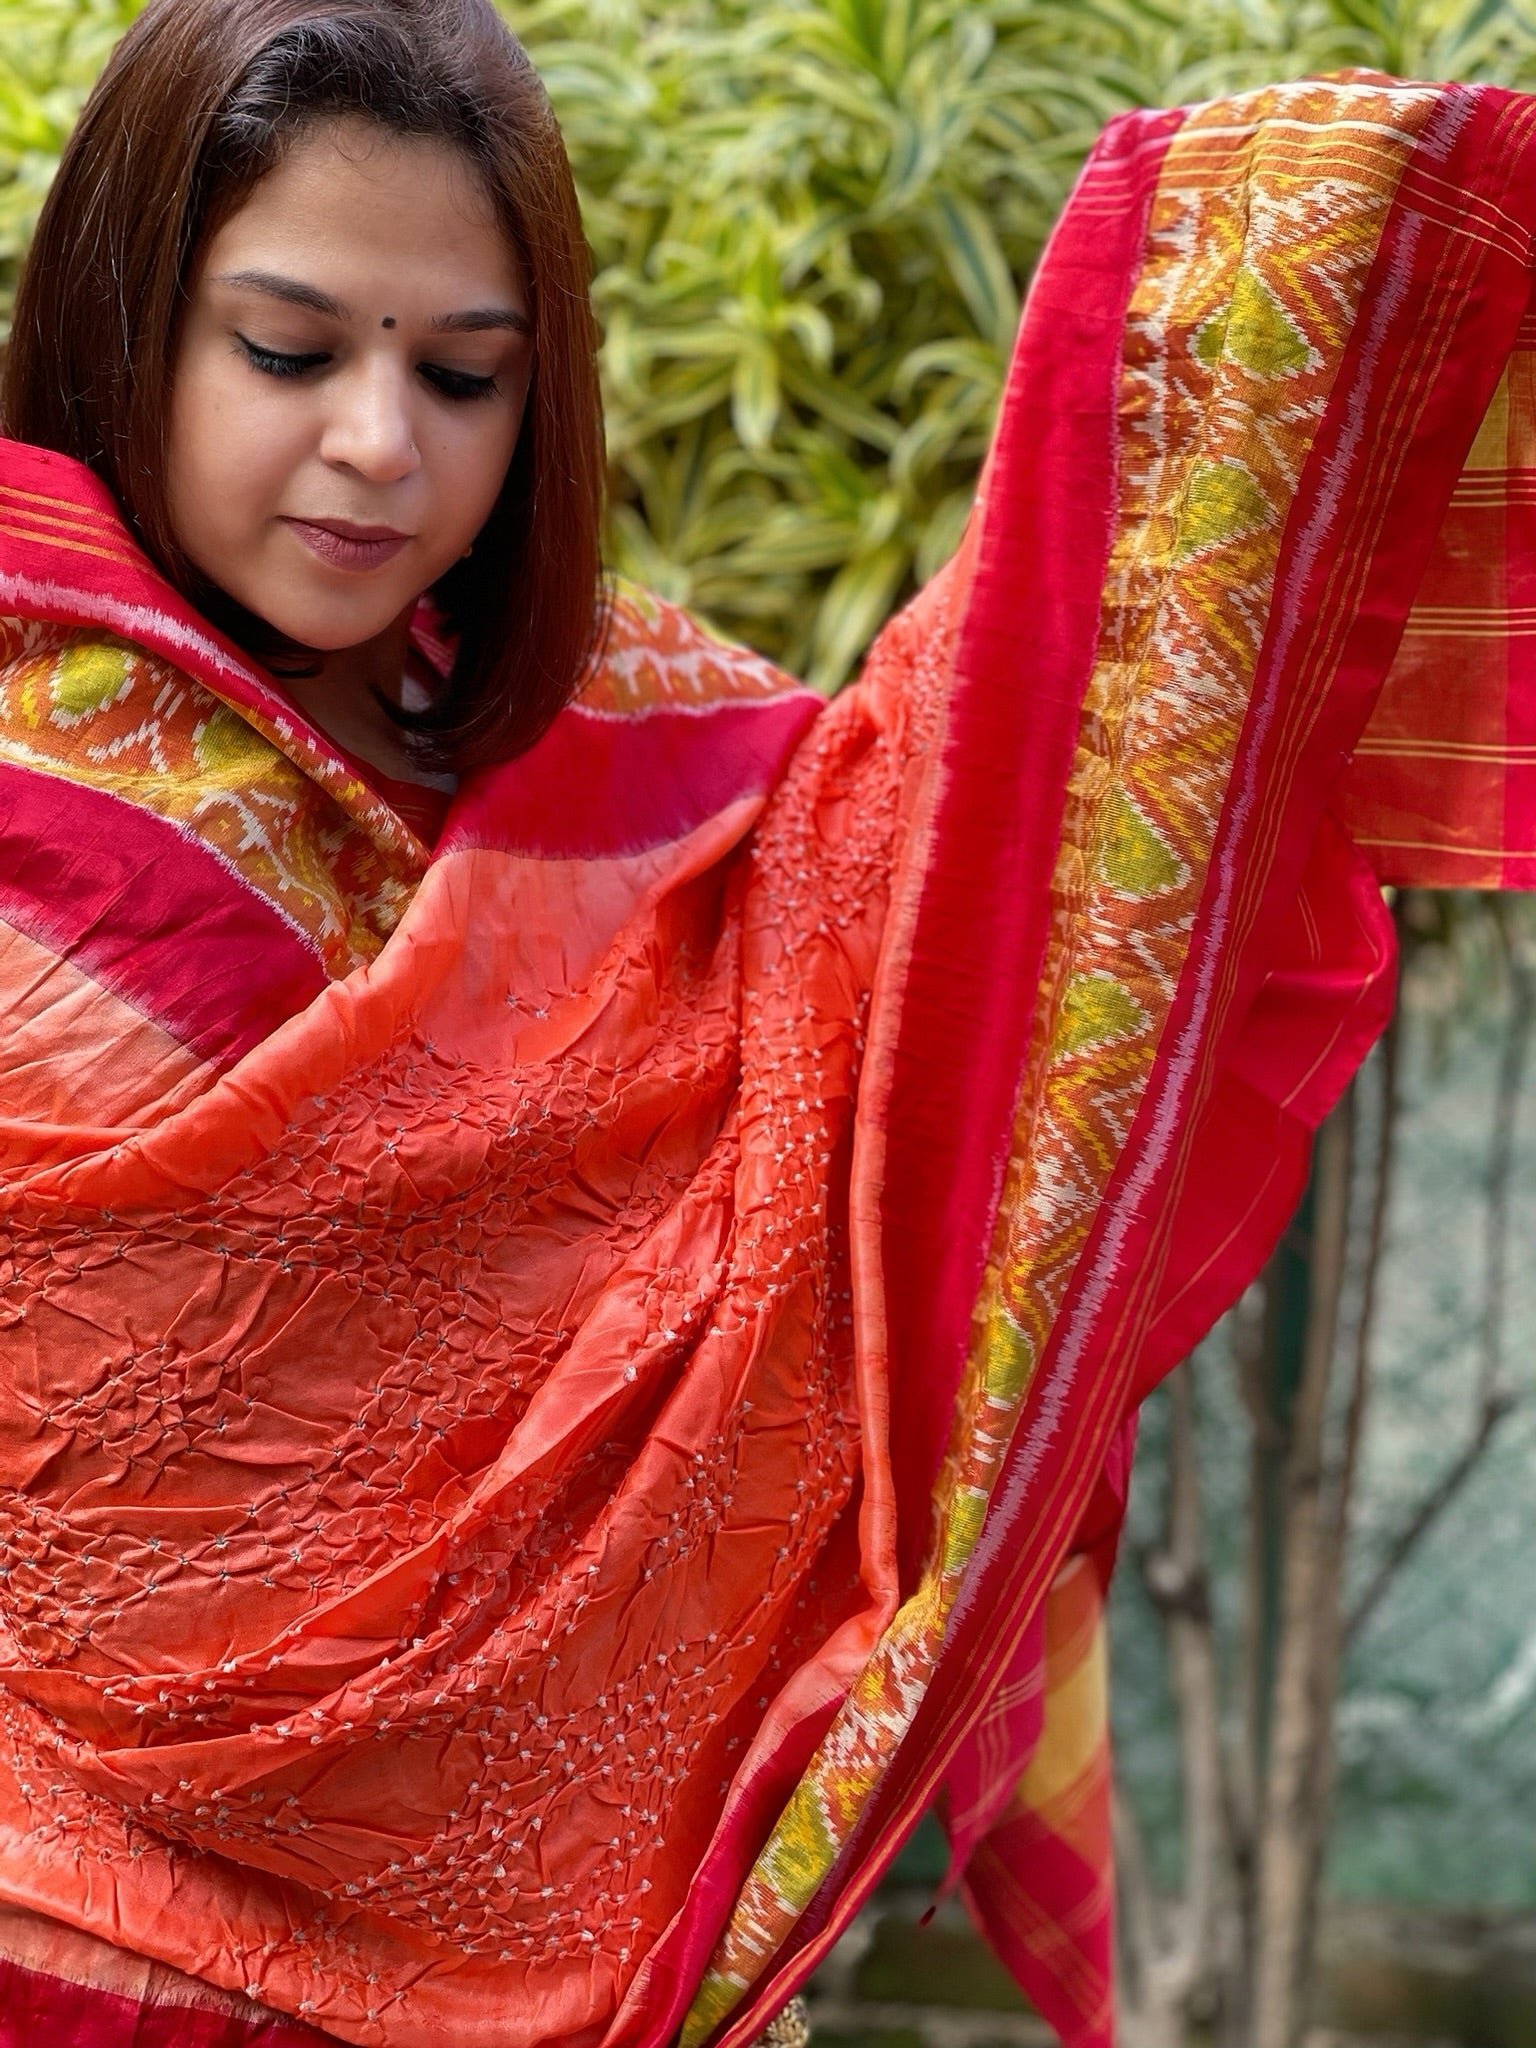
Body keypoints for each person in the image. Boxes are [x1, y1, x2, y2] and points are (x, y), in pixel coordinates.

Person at [1, 5, 1534, 2045]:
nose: (382, 443)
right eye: (290, 352)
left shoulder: (604, 725)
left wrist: (1273, 314)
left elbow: (937, 895)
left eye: (465, 375)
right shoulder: (33, 794)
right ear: (124, 322)